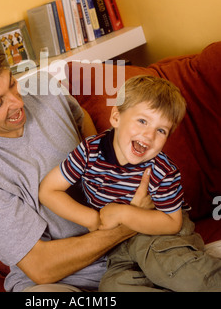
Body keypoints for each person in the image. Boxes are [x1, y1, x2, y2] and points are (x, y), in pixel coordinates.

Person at [0, 34, 152, 293]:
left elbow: (81, 117)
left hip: (130, 250)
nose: (17, 103)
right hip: (60, 280)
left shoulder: (45, 87)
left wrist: (108, 172)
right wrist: (128, 224)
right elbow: (42, 267)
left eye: (11, 84)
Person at [39, 75, 221, 292]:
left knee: (174, 271)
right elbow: (48, 190)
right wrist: (92, 219)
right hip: (117, 247)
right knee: (113, 287)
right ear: (116, 117)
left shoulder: (161, 169)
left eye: (161, 130)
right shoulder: (89, 151)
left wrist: (123, 214)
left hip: (159, 235)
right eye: (142, 121)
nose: (149, 135)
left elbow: (172, 222)